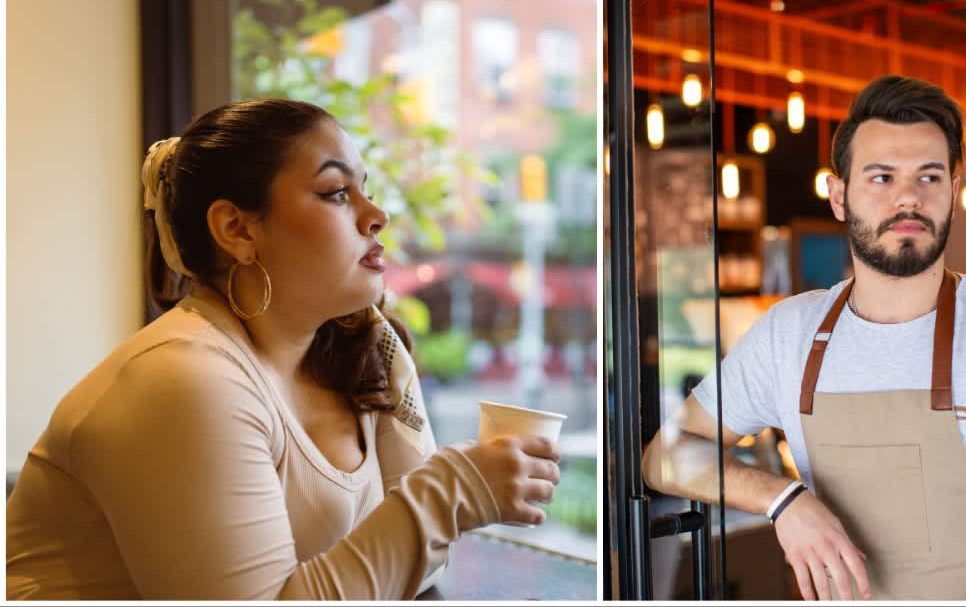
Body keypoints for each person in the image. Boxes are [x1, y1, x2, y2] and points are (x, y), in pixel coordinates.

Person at [6, 99, 561, 600]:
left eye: (366, 189)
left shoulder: (365, 352)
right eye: (336, 193)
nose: (376, 215)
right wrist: (454, 491)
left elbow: (417, 576)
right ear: (237, 229)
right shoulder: (180, 379)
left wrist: (464, 488)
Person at [642, 76, 966, 600]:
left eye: (929, 177)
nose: (908, 197)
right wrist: (784, 500)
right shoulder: (789, 335)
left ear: (953, 193)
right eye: (881, 177)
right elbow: (666, 455)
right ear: (839, 196)